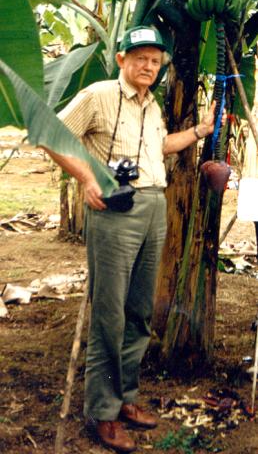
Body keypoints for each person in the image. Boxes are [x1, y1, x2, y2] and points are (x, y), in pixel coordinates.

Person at [44, 26, 219, 453]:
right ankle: (101, 413)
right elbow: (51, 134)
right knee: (110, 312)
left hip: (153, 207)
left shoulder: (151, 103)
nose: (148, 66)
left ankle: (125, 399)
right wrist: (87, 178)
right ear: (121, 59)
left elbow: (158, 147)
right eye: (139, 57)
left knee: (140, 309)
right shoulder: (99, 96)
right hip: (114, 211)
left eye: (155, 61)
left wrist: (200, 130)